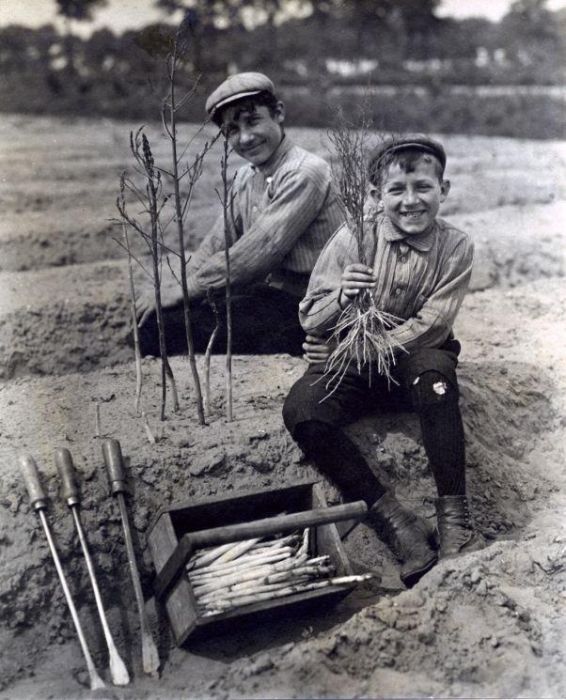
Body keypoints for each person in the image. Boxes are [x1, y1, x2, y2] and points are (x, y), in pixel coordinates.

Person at [283, 134, 482, 588]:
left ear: (443, 191)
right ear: (376, 196)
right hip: (351, 363)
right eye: (397, 190)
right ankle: (394, 521)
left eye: (423, 188)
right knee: (303, 412)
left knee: (435, 374)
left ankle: (456, 519)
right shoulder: (355, 235)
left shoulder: (456, 247)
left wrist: (355, 349)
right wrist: (342, 296)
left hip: (411, 364)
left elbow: (432, 325)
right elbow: (309, 315)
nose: (410, 201)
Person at [136, 71, 343, 358]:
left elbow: (254, 257)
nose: (245, 137)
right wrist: (173, 289)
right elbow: (216, 243)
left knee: (169, 327)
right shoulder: (246, 176)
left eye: (253, 121)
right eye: (232, 130)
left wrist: (184, 291)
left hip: (314, 306)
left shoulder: (304, 172)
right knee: (156, 319)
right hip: (273, 296)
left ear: (278, 113)